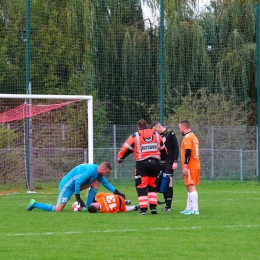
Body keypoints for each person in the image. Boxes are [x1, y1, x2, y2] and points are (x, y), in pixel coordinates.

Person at [27, 162, 125, 212]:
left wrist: (118, 193)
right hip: (68, 185)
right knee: (57, 210)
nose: (106, 174)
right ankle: (34, 204)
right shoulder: (91, 170)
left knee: (96, 183)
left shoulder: (98, 174)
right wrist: (78, 198)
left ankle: (87, 207)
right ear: (103, 169)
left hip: (76, 185)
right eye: (106, 172)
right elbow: (77, 182)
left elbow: (106, 184)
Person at [117, 119, 167, 215]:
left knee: (141, 186)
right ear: (147, 125)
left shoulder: (135, 136)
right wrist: (163, 160)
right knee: (153, 185)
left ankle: (143, 209)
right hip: (155, 163)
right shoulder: (156, 135)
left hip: (142, 164)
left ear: (138, 127)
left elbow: (126, 148)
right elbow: (163, 150)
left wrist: (120, 158)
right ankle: (153, 208)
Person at [150, 121, 179, 211]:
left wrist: (175, 161)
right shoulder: (156, 136)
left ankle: (169, 206)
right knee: (161, 182)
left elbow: (176, 147)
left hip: (169, 161)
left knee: (168, 181)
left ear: (159, 126)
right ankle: (166, 204)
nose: (155, 132)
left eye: (155, 130)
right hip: (160, 162)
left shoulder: (170, 133)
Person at [179, 120, 200, 215]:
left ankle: (195, 210)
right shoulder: (194, 137)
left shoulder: (187, 138)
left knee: (191, 187)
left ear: (183, 128)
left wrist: (185, 167)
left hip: (190, 166)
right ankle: (188, 208)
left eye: (180, 128)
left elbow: (188, 152)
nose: (180, 130)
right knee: (189, 186)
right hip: (195, 164)